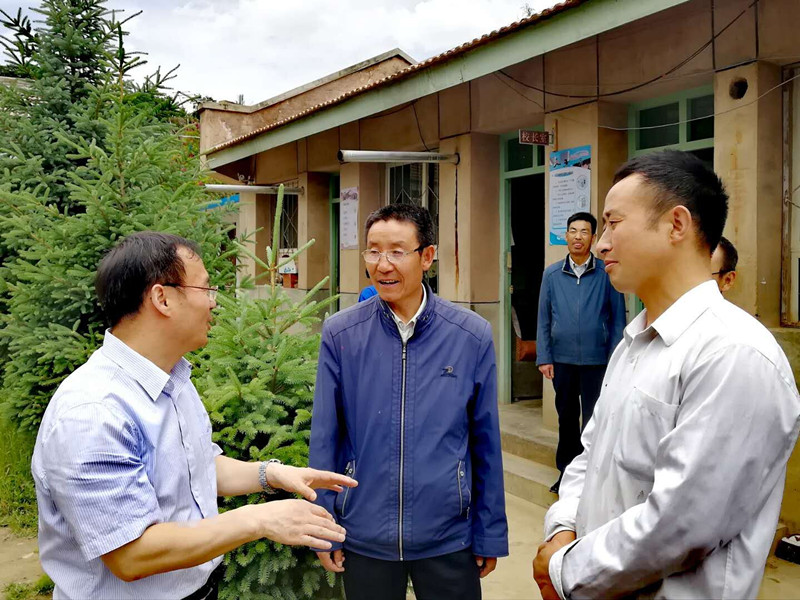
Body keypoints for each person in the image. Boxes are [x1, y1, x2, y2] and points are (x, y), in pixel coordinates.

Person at [533, 150, 800, 599]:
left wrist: (564, 569)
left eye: (613, 224)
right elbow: (590, 456)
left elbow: (680, 526)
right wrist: (562, 529)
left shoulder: (733, 354)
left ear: (676, 224)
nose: (600, 244)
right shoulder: (633, 343)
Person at [32, 232, 356, 600]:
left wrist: (271, 474)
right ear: (162, 298)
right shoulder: (93, 412)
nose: (214, 302)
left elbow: (194, 466)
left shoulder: (173, 379)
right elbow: (131, 555)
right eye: (206, 289)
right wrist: (259, 519)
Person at [309, 204, 508, 600]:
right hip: (365, 534)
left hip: (448, 537)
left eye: (397, 252)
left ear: (427, 256)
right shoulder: (341, 334)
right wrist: (325, 527)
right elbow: (326, 438)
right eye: (373, 251)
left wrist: (489, 532)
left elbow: (485, 442)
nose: (382, 264)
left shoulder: (470, 335)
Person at [536, 211, 626, 494]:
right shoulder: (551, 274)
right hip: (561, 361)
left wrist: (615, 358)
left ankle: (591, 477)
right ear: (566, 236)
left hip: (597, 361)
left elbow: (618, 319)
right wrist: (544, 356)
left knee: (593, 420)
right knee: (566, 419)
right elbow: (543, 318)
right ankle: (566, 473)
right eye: (573, 231)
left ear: (594, 237)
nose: (578, 237)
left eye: (584, 232)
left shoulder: (605, 273)